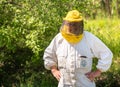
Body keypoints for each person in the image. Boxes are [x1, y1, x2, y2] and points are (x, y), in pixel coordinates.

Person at [43, 10, 113, 87]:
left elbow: (106, 53)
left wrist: (98, 71)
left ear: (80, 25)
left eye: (75, 24)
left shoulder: (89, 38)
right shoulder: (59, 38)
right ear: (66, 24)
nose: (73, 27)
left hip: (85, 84)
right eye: (71, 24)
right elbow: (49, 54)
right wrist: (54, 69)